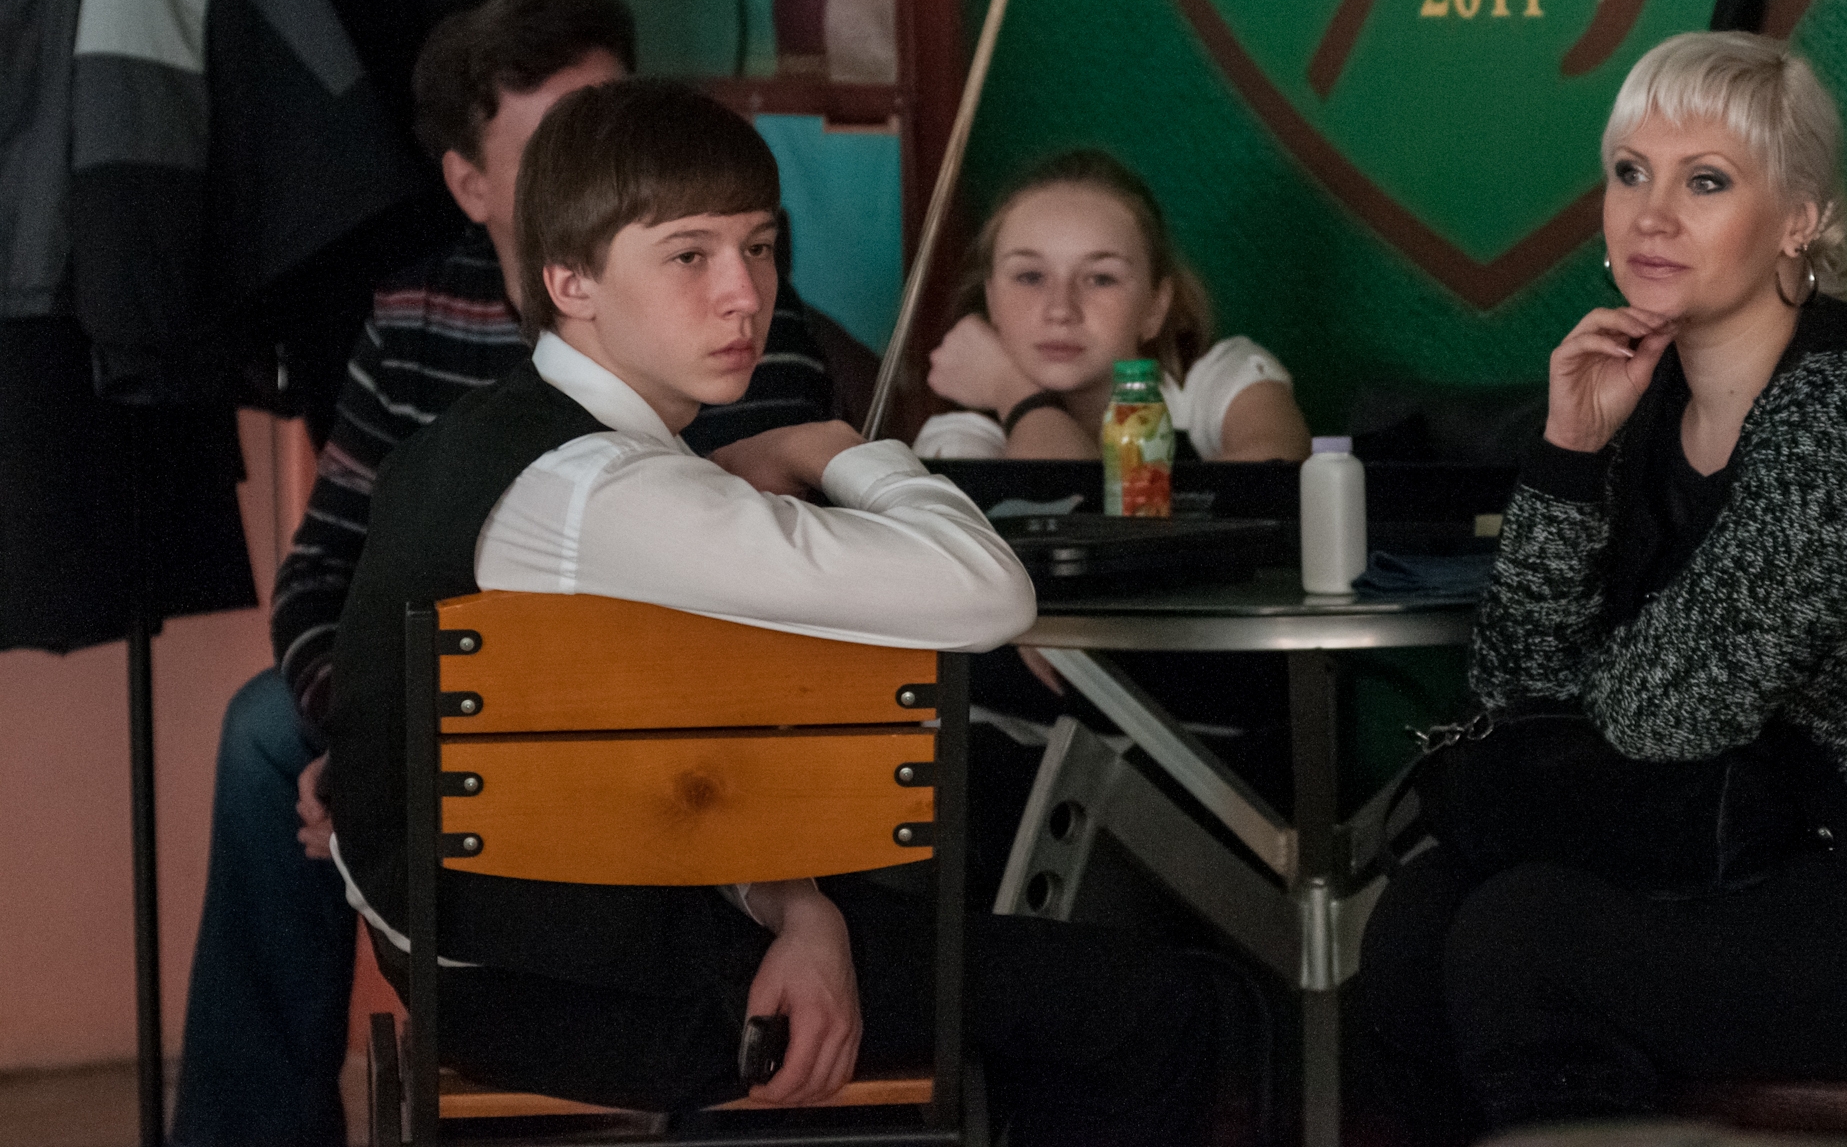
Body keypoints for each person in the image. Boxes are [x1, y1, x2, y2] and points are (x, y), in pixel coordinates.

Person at [323, 80, 1226, 1140]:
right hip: (592, 994)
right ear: (569, 279)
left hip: (492, 954)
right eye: (688, 255)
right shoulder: (605, 490)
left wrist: (799, 906)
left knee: (979, 930)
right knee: (1156, 1005)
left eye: (757, 246)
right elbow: (989, 589)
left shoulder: (491, 442)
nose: (743, 294)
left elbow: (652, 757)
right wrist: (836, 449)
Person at [1353, 31, 1847, 1139]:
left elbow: (1664, 712)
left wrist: (1569, 711)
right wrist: (1570, 451)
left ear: (1799, 220)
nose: (1651, 214)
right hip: (1799, 862)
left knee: (1524, 941)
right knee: (1417, 923)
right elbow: (1515, 695)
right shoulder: (1640, 403)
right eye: (1630, 172)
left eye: (1706, 182)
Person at [169, 0, 839, 1147]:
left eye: (614, 121)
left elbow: (747, 588)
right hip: (419, 697)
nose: (600, 162)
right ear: (470, 184)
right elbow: (323, 572)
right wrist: (362, 743)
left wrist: (403, 765)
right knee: (261, 733)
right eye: (556, 145)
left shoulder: (731, 311)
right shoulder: (415, 313)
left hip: (640, 720)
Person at [914, 148, 1310, 464]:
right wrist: (1015, 396)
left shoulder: (1219, 382)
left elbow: (1275, 468)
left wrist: (1014, 392)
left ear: (1155, 307)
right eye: (1030, 277)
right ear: (991, 300)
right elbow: (1062, 503)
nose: (1060, 310)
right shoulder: (960, 439)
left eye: (1101, 278)